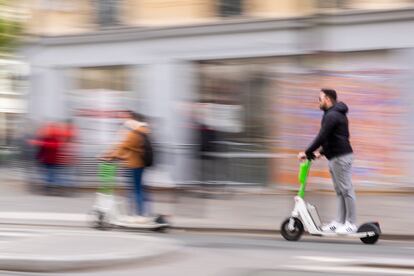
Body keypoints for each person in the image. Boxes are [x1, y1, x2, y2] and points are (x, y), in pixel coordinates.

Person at [298, 88, 357, 234]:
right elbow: (335, 137)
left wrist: (307, 152)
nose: (318, 101)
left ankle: (351, 223)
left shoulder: (333, 115)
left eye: (320, 98)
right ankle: (339, 222)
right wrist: (321, 153)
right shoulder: (332, 115)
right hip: (335, 157)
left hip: (341, 157)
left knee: (347, 190)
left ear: (328, 99)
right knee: (340, 191)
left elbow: (322, 136)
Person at [103, 111, 150, 216]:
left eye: (126, 118)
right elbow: (120, 145)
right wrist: (109, 154)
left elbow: (123, 146)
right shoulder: (140, 131)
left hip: (133, 164)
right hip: (136, 163)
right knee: (136, 189)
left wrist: (110, 156)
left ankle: (138, 214)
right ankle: (136, 213)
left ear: (133, 119)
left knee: (135, 190)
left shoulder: (135, 133)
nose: (124, 121)